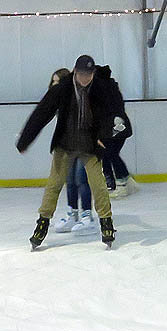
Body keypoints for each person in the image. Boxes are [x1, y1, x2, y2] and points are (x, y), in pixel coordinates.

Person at [16, 55, 124, 250]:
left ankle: (106, 222)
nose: (85, 79)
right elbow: (42, 112)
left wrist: (104, 134)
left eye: (89, 75)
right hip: (65, 144)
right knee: (54, 184)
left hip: (90, 146)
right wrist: (25, 140)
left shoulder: (100, 88)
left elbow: (111, 112)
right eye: (82, 74)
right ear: (75, 72)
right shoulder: (63, 88)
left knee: (98, 184)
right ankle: (43, 223)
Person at [46, 69, 95, 234]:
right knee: (70, 179)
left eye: (57, 82)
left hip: (85, 144)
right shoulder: (58, 101)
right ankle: (73, 213)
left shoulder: (78, 97)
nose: (55, 85)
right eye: (53, 82)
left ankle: (88, 216)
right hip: (68, 146)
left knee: (81, 178)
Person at [95, 65, 136, 199]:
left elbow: (104, 111)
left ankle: (121, 184)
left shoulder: (103, 89)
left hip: (114, 127)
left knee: (110, 154)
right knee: (111, 154)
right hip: (118, 126)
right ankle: (125, 182)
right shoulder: (111, 86)